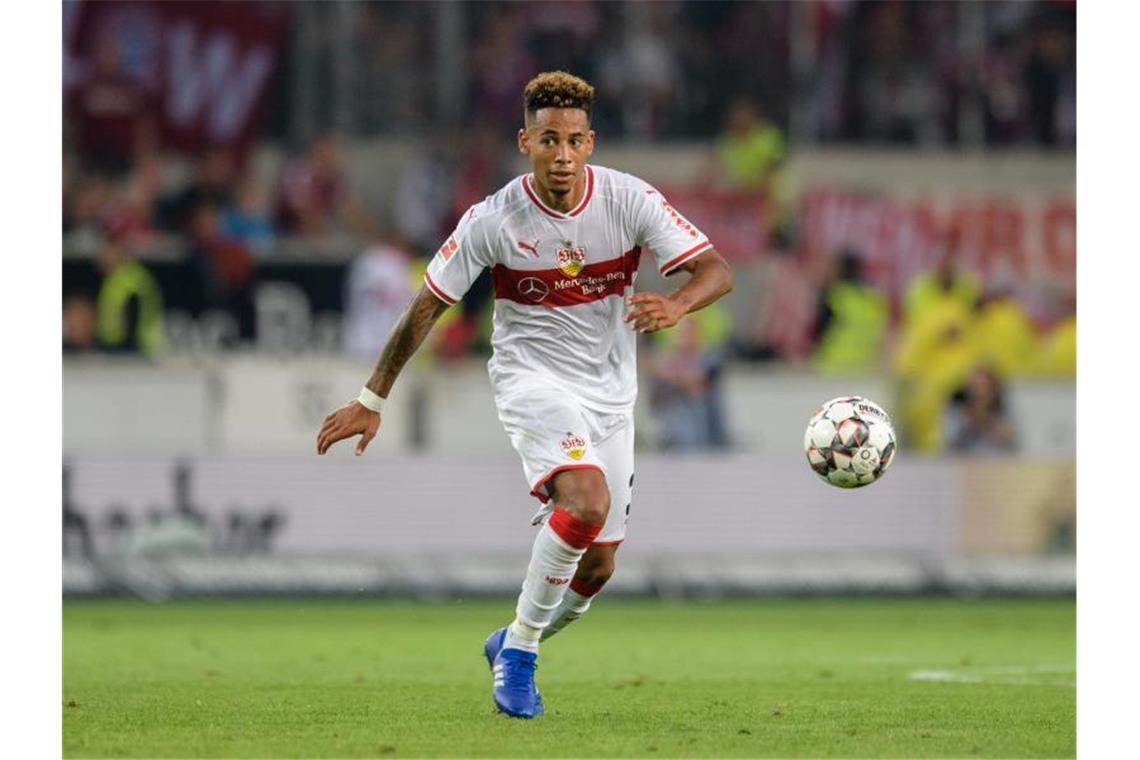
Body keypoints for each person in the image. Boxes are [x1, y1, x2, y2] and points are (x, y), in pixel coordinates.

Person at [316, 72, 733, 719]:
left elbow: (716, 270)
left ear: (590, 143)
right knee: (585, 500)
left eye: (573, 141)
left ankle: (512, 636)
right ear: (525, 143)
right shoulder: (494, 219)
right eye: (548, 140)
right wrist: (372, 399)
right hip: (531, 379)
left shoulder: (630, 201)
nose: (561, 155)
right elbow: (427, 306)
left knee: (596, 568)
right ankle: (522, 654)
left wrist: (677, 303)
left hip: (611, 396)